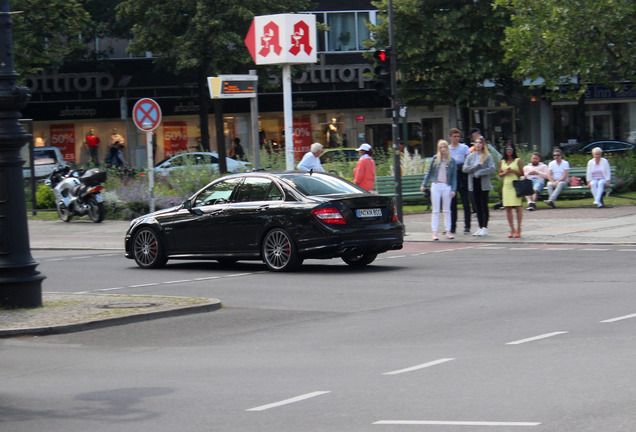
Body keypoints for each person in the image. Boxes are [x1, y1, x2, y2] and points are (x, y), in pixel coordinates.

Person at [421, 139, 457, 241]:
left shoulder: (452, 161)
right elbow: (429, 173)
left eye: (444, 147)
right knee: (435, 210)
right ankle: (435, 232)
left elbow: (454, 177)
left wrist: (453, 189)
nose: (443, 149)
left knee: (447, 210)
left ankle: (448, 230)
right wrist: (424, 184)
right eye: (441, 147)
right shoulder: (435, 159)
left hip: (446, 186)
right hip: (436, 185)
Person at [462, 137, 496, 236]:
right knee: (476, 206)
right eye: (476, 143)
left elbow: (492, 168)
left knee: (483, 205)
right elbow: (465, 169)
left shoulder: (487, 156)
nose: (478, 145)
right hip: (473, 183)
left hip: (483, 183)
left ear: (483, 145)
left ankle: (485, 227)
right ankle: (480, 226)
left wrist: (480, 172)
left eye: (480, 143)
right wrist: (476, 167)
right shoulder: (470, 157)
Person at [448, 128, 472, 235]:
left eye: (458, 136)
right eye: (454, 136)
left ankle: (467, 226)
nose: (456, 138)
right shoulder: (448, 149)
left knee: (465, 202)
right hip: (452, 177)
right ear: (450, 137)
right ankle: (452, 226)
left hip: (462, 176)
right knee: (452, 204)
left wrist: (460, 166)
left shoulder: (464, 148)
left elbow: (468, 161)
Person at [499, 143, 524, 238]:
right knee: (508, 208)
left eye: (511, 148)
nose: (509, 150)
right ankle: (512, 228)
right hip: (506, 185)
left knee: (517, 207)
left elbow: (522, 173)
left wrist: (513, 171)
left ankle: (519, 228)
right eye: (507, 148)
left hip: (515, 185)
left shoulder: (517, 160)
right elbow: (500, 174)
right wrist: (505, 172)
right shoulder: (502, 161)